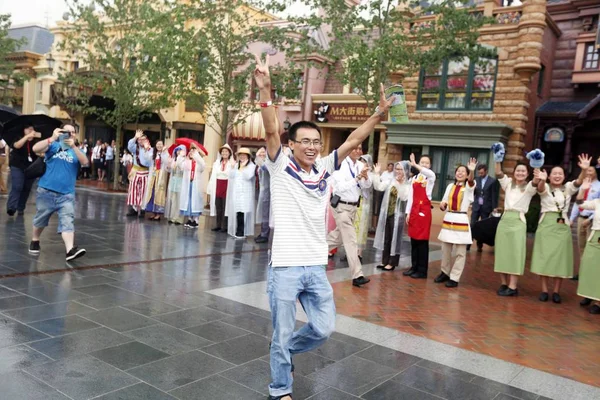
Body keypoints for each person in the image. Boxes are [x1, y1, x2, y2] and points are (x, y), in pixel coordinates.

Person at [254, 54, 393, 400]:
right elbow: (271, 127)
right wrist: (266, 89)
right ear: (292, 145)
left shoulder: (325, 168)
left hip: (315, 265)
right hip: (285, 264)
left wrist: (377, 114)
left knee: (323, 327)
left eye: (317, 142)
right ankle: (279, 387)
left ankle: (282, 351)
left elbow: (351, 141)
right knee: (284, 329)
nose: (313, 147)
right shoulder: (279, 164)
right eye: (306, 141)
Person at [531, 156, 589, 303]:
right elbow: (540, 189)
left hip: (562, 226)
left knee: (560, 259)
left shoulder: (568, 188)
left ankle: (556, 291)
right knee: (545, 257)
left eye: (560, 174)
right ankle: (544, 290)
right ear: (549, 176)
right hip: (546, 225)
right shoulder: (545, 187)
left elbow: (578, 182)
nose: (557, 176)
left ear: (564, 177)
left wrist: (583, 170)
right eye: (554, 174)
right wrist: (542, 179)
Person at [28, 125, 88, 261]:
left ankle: (70, 250)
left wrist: (73, 147)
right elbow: (35, 148)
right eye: (67, 132)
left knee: (68, 221)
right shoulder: (53, 145)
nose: (70, 134)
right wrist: (52, 138)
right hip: (46, 190)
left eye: (73, 132)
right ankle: (35, 240)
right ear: (61, 132)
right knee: (40, 219)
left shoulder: (77, 150)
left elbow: (85, 162)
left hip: (66, 194)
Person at [493, 153, 542, 296]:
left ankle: (513, 286)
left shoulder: (529, 188)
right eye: (518, 170)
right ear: (514, 173)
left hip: (518, 221)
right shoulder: (508, 184)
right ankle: (503, 283)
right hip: (504, 220)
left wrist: (537, 166)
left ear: (527, 174)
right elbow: (498, 172)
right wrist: (497, 159)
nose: (520, 173)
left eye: (523, 171)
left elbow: (535, 181)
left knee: (515, 254)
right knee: (502, 252)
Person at [327, 145, 372, 286]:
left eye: (360, 148)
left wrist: (364, 178)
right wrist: (357, 178)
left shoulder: (360, 164)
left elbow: (367, 186)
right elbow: (339, 187)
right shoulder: (340, 164)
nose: (358, 151)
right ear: (348, 149)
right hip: (341, 206)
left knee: (337, 238)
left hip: (353, 208)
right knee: (351, 240)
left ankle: (311, 253)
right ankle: (357, 275)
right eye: (355, 148)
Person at [435, 159, 477, 287]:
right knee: (445, 249)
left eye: (463, 172)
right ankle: (444, 272)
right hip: (449, 219)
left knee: (460, 252)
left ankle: (455, 277)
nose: (460, 173)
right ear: (455, 174)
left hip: (461, 220)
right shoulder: (449, 186)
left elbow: (471, 182)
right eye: (458, 171)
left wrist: (472, 170)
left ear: (467, 174)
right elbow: (444, 202)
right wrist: (442, 205)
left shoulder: (469, 187)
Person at [373, 161, 410, 271]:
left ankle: (392, 262)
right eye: (396, 169)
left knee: (395, 239)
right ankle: (385, 261)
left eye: (400, 169)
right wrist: (376, 174)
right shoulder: (390, 181)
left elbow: (404, 197)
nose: (398, 171)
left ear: (405, 171)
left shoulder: (407, 184)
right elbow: (379, 187)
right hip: (387, 214)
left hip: (397, 215)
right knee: (387, 238)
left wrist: (399, 184)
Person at [403, 153, 436, 279]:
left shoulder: (430, 177)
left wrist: (415, 164)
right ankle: (414, 266)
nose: (424, 165)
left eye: (427, 163)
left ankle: (422, 270)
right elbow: (411, 197)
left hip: (424, 211)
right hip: (414, 211)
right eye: (422, 162)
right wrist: (408, 212)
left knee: (422, 241)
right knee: (414, 240)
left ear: (430, 165)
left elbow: (429, 173)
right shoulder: (415, 178)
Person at [569, 162, 600, 280]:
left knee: (591, 249)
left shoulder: (599, 186)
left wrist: (590, 219)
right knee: (581, 247)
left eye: (590, 170)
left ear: (596, 172)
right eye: (587, 171)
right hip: (581, 219)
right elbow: (578, 204)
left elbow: (598, 206)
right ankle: (582, 272)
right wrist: (572, 219)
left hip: (593, 222)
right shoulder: (583, 185)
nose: (588, 173)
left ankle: (591, 274)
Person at [575, 177, 600, 314]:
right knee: (590, 267)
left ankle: (598, 302)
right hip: (594, 237)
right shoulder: (597, 202)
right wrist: (583, 189)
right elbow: (580, 203)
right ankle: (590, 294)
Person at [7, 124, 40, 216]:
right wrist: (26, 137)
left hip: (31, 167)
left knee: (27, 188)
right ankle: (11, 207)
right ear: (23, 130)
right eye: (28, 128)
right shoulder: (18, 137)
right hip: (17, 165)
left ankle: (21, 207)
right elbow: (17, 146)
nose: (30, 130)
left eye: (32, 128)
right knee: (17, 186)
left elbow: (39, 152)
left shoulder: (36, 141)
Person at [226, 147, 256, 238]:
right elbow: (231, 176)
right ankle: (238, 230)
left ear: (247, 156)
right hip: (237, 192)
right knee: (238, 211)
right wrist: (232, 167)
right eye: (240, 155)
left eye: (244, 155)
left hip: (246, 192)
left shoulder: (251, 166)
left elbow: (248, 176)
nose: (242, 157)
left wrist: (242, 167)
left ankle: (241, 231)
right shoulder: (236, 165)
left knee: (243, 211)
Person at [469, 163, 498, 251]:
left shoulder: (492, 181)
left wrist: (494, 208)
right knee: (472, 224)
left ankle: (479, 244)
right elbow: (472, 192)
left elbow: (494, 195)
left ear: (486, 171)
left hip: (486, 207)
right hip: (476, 206)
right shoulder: (476, 180)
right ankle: (468, 244)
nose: (480, 174)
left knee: (483, 226)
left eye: (482, 173)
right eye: (479, 173)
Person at [208, 144, 234, 232]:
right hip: (218, 184)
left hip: (227, 185)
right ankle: (218, 225)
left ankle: (225, 226)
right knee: (218, 205)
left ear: (229, 153)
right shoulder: (217, 163)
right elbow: (213, 175)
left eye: (226, 151)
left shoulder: (232, 163)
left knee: (225, 206)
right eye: (223, 151)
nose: (224, 153)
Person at [179, 145, 206, 228]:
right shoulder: (187, 162)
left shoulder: (199, 163)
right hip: (188, 184)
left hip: (196, 185)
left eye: (193, 151)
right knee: (189, 201)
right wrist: (181, 156)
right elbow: (180, 166)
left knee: (196, 201)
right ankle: (190, 218)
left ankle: (196, 220)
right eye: (190, 151)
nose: (191, 153)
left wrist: (197, 156)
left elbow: (203, 165)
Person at [354, 154, 375, 260]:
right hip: (355, 202)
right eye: (361, 161)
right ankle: (351, 252)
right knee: (353, 228)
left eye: (364, 161)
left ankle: (359, 252)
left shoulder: (370, 175)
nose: (362, 163)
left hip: (364, 203)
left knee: (361, 227)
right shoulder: (356, 172)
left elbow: (368, 186)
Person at [126, 130, 152, 216]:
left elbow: (149, 161)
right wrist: (135, 137)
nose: (141, 141)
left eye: (143, 139)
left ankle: (142, 209)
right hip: (135, 170)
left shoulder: (150, 149)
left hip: (145, 171)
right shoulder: (135, 148)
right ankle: (133, 208)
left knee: (143, 191)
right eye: (139, 139)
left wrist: (146, 149)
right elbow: (129, 146)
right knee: (133, 190)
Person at [143, 140, 169, 221]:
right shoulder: (153, 154)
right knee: (152, 192)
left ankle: (158, 213)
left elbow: (166, 162)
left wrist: (164, 153)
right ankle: (153, 212)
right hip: (153, 175)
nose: (159, 146)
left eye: (161, 144)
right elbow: (147, 159)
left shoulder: (165, 154)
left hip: (161, 175)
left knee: (159, 193)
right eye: (158, 144)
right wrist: (146, 150)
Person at [165, 145, 186, 225]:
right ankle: (172, 216)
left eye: (180, 150)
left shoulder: (184, 160)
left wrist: (179, 162)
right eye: (177, 150)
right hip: (173, 180)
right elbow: (169, 169)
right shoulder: (174, 159)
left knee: (179, 199)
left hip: (180, 181)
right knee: (173, 199)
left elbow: (183, 169)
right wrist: (169, 165)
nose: (178, 152)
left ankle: (179, 218)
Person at [255, 147, 271, 244]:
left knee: (265, 213)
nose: (262, 155)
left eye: (263, 153)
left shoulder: (268, 163)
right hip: (261, 190)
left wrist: (257, 156)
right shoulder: (260, 164)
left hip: (267, 191)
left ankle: (265, 235)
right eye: (260, 154)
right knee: (262, 212)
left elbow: (264, 167)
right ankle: (262, 232)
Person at [372, 162, 394, 231]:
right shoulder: (385, 173)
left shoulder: (394, 175)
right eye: (389, 166)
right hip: (384, 192)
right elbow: (379, 185)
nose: (390, 168)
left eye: (391, 167)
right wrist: (376, 174)